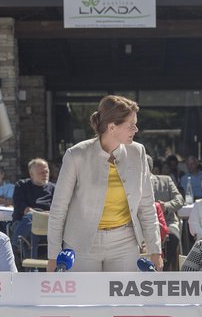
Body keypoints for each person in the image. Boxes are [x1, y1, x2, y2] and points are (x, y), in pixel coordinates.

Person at [47, 95, 162, 272]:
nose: (136, 129)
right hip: (81, 241)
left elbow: (147, 206)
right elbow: (58, 208)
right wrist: (53, 255)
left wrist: (156, 250)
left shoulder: (138, 152)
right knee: (85, 299)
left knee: (123, 299)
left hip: (125, 241)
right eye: (130, 125)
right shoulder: (75, 155)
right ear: (111, 127)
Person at [12, 158, 55, 259]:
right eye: (41, 172)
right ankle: (32, 269)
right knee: (32, 229)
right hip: (23, 223)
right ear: (31, 175)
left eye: (47, 171)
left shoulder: (54, 189)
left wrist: (37, 214)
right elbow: (22, 208)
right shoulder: (21, 186)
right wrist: (37, 214)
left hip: (47, 225)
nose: (45, 174)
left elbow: (57, 211)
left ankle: (14, 247)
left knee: (32, 219)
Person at [149, 156, 185, 271]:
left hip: (167, 221)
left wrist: (166, 206)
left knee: (173, 237)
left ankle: (165, 269)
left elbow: (180, 200)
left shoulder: (165, 180)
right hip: (143, 224)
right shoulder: (132, 184)